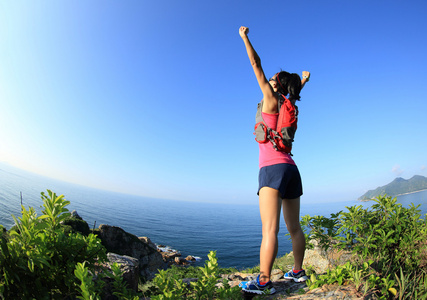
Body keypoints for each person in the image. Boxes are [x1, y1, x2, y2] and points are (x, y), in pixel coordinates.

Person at [238, 26, 310, 295]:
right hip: (292, 169)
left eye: (271, 79)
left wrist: (245, 37)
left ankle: (264, 281)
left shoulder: (269, 98)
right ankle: (298, 271)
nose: (266, 80)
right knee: (294, 228)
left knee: (270, 230)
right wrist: (304, 81)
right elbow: (294, 90)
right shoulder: (289, 104)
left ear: (276, 84)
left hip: (272, 169)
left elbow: (255, 64)